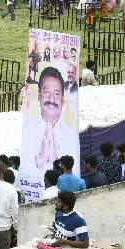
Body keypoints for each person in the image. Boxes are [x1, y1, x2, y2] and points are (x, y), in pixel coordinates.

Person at [21, 67, 79, 198]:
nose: (51, 99)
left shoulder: (72, 136)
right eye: (46, 92)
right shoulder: (27, 131)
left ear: (63, 99)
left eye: (57, 93)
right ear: (39, 96)